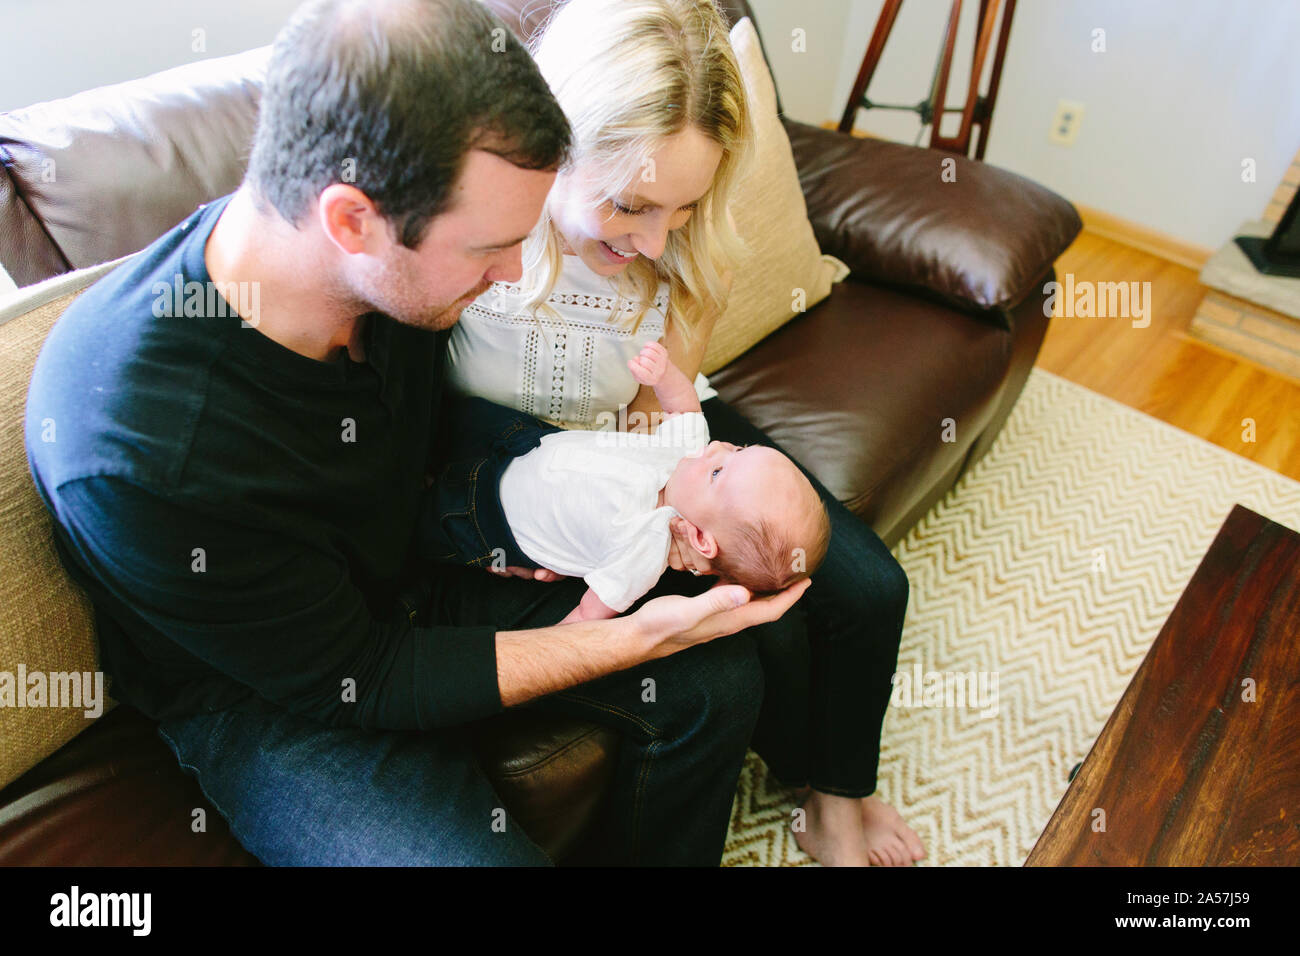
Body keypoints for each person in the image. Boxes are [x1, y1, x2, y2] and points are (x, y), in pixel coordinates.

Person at [23, 0, 808, 867]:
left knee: (717, 677)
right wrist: (624, 636)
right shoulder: (144, 447)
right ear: (351, 219)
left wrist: (524, 516)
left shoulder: (381, 277)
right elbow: (364, 674)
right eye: (492, 247)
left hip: (422, 558)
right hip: (285, 691)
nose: (514, 272)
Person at [446, 0, 926, 866]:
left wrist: (689, 485)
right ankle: (798, 756)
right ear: (553, 142)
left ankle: (836, 795)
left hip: (659, 445)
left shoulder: (687, 242)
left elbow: (659, 423)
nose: (656, 237)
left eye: (682, 206)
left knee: (868, 587)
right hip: (541, 481)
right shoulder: (472, 243)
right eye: (631, 203)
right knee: (749, 616)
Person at [425, 341, 831, 622]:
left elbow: (590, 614)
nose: (719, 447)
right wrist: (664, 374)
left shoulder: (643, 553)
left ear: (703, 539)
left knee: (425, 517)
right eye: (740, 448)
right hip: (526, 441)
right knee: (451, 420)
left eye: (719, 471)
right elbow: (683, 407)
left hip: (491, 517)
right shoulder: (686, 456)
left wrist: (554, 643)